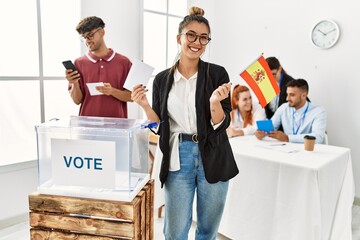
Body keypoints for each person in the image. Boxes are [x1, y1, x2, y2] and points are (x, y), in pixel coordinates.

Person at [131, 6, 238, 240]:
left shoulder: (217, 74)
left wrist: (214, 103)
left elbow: (221, 124)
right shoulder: (162, 79)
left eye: (203, 37)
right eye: (191, 35)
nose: (196, 42)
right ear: (179, 37)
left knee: (208, 228)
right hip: (179, 155)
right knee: (175, 229)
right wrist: (145, 107)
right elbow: (160, 127)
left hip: (214, 152)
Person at [65, 16, 132, 118]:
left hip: (118, 127)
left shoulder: (124, 62)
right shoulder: (79, 63)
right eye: (84, 37)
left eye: (90, 35)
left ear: (101, 32)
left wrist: (112, 91)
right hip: (87, 127)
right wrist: (74, 83)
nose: (87, 41)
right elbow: (77, 101)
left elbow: (131, 97)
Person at [255, 79, 327, 144]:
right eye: (287, 94)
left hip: (308, 151)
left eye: (292, 95)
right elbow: (271, 127)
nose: (287, 98)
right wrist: (261, 133)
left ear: (304, 95)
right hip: (287, 150)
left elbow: (318, 138)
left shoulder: (319, 111)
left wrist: (288, 138)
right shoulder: (284, 107)